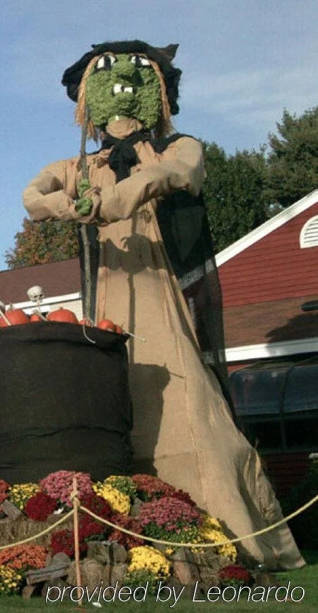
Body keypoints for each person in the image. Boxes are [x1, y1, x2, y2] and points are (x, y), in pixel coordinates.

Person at [22, 40, 303, 569]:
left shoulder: (177, 147)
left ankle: (235, 538)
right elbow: (34, 195)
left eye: (136, 73)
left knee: (189, 395)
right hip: (111, 290)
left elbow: (175, 174)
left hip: (161, 284)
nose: (122, 82)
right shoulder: (80, 165)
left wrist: (115, 198)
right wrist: (70, 204)